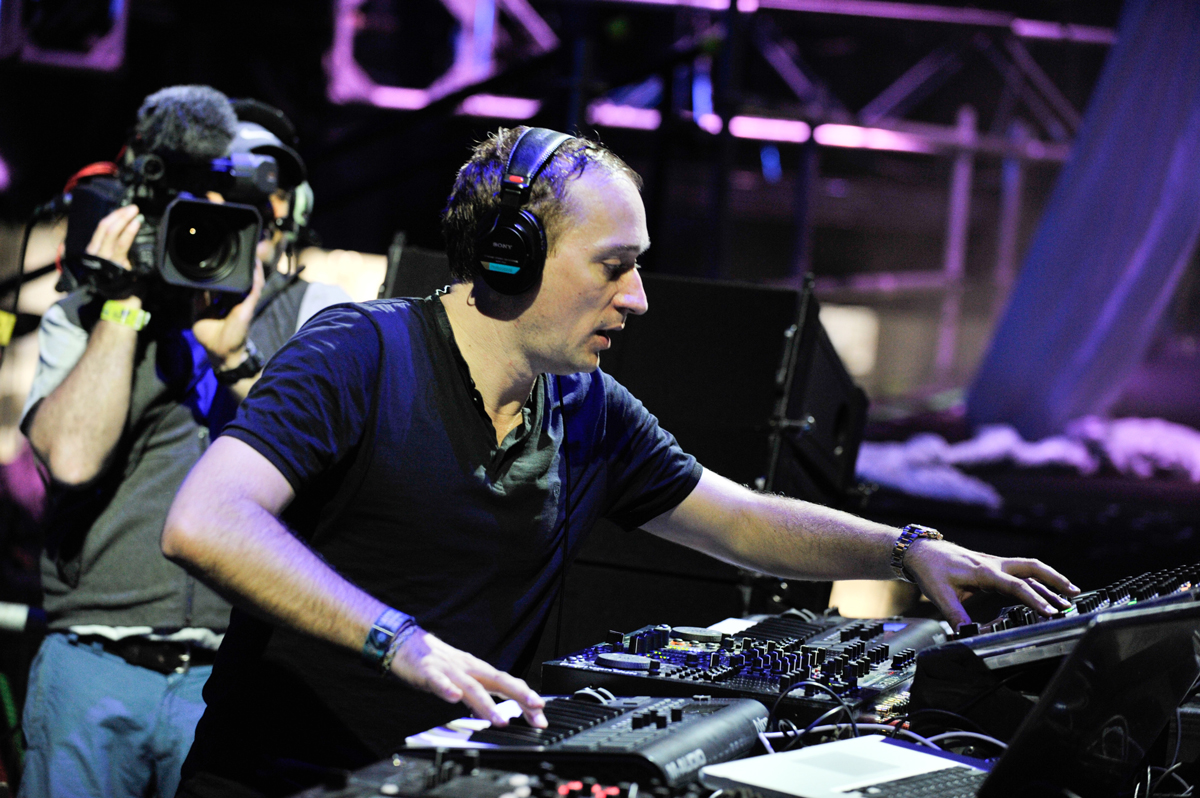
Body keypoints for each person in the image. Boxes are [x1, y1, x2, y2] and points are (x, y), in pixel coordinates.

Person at [163, 126, 1078, 797]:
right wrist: (400, 641)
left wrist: (905, 549)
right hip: (281, 782)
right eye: (613, 266)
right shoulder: (357, 354)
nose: (638, 298)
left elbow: (736, 518)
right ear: (510, 258)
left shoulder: (584, 404)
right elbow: (206, 521)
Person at [17, 86, 350, 798]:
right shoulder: (88, 311)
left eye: (254, 206)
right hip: (95, 661)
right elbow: (71, 459)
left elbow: (332, 479)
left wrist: (234, 362)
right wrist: (124, 305)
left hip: (239, 673)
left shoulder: (317, 321)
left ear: (286, 215)